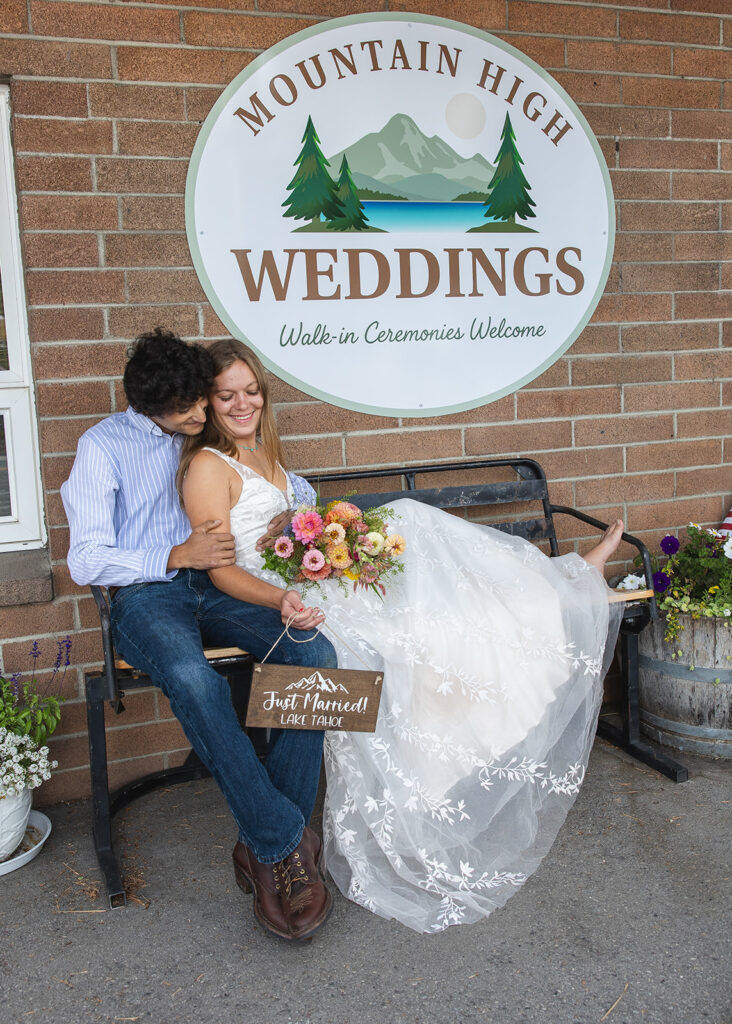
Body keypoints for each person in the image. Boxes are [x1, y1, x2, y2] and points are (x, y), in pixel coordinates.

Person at [179, 338, 625, 935]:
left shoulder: (265, 455)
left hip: (314, 585)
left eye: (250, 392)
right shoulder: (211, 465)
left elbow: (291, 537)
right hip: (271, 600)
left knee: (454, 611)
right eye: (226, 395)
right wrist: (283, 593)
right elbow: (220, 569)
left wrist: (333, 549)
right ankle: (278, 849)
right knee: (412, 577)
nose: (241, 405)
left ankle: (567, 578)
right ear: (206, 402)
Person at [61, 328, 337, 943]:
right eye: (188, 408)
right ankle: (284, 845)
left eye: (201, 402)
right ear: (146, 407)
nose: (199, 415)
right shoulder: (102, 447)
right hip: (146, 595)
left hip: (217, 587)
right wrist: (171, 555)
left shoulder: (207, 433)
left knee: (312, 652)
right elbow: (85, 560)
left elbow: (264, 484)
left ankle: (265, 845)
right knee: (194, 679)